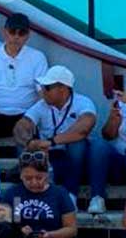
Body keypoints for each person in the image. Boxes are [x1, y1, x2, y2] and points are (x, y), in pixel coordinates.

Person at [14, 65, 98, 213]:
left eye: (47, 88)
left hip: (76, 158)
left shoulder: (83, 102)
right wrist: (30, 143)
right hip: (49, 155)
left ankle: (71, 195)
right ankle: (31, 193)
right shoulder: (41, 105)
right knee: (24, 146)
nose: (42, 91)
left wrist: (52, 142)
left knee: (77, 143)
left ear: (63, 89)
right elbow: (22, 125)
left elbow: (84, 127)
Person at [0, 13, 48, 139]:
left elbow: (42, 93)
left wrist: (35, 116)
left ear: (28, 35)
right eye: (12, 32)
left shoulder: (37, 57)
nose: (16, 36)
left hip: (25, 115)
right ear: (5, 32)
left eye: (21, 33)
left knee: (28, 129)